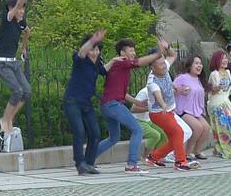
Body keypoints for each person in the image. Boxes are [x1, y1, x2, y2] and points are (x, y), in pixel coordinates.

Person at [97, 37, 167, 174]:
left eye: (134, 50)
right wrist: (159, 53)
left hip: (108, 104)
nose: (134, 53)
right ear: (123, 53)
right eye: (131, 50)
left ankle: (87, 160)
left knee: (114, 137)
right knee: (137, 130)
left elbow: (121, 92)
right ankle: (131, 165)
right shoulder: (122, 62)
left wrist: (137, 102)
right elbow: (140, 62)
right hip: (113, 105)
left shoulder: (120, 66)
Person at [0, 0, 38, 152]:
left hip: (14, 63)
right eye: (20, 10)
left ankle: (9, 119)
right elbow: (19, 4)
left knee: (26, 91)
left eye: (23, 11)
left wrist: (24, 47)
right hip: (2, 64)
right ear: (12, 9)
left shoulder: (21, 23)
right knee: (17, 90)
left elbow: (28, 31)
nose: (22, 12)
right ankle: (5, 120)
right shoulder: (8, 19)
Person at [63, 29, 108, 175]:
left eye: (97, 50)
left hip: (86, 102)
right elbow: (82, 51)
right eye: (92, 50)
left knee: (95, 133)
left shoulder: (97, 63)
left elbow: (103, 71)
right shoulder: (80, 60)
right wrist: (92, 41)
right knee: (79, 132)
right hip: (73, 101)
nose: (94, 53)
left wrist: (114, 61)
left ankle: (89, 163)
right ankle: (80, 163)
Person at [144, 46, 195, 171]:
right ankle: (180, 162)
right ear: (152, 67)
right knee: (179, 132)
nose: (164, 66)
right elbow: (158, 96)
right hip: (159, 113)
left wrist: (167, 47)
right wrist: (164, 105)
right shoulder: (152, 82)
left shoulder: (164, 65)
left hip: (168, 111)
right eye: (160, 64)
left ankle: (154, 157)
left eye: (163, 62)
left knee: (176, 138)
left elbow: (172, 55)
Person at [173, 55, 211, 161]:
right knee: (198, 128)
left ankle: (197, 151)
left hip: (196, 111)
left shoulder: (199, 79)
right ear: (190, 65)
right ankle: (186, 153)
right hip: (183, 110)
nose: (199, 66)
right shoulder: (182, 77)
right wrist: (179, 90)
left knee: (206, 128)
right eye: (196, 63)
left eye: (200, 63)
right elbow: (171, 89)